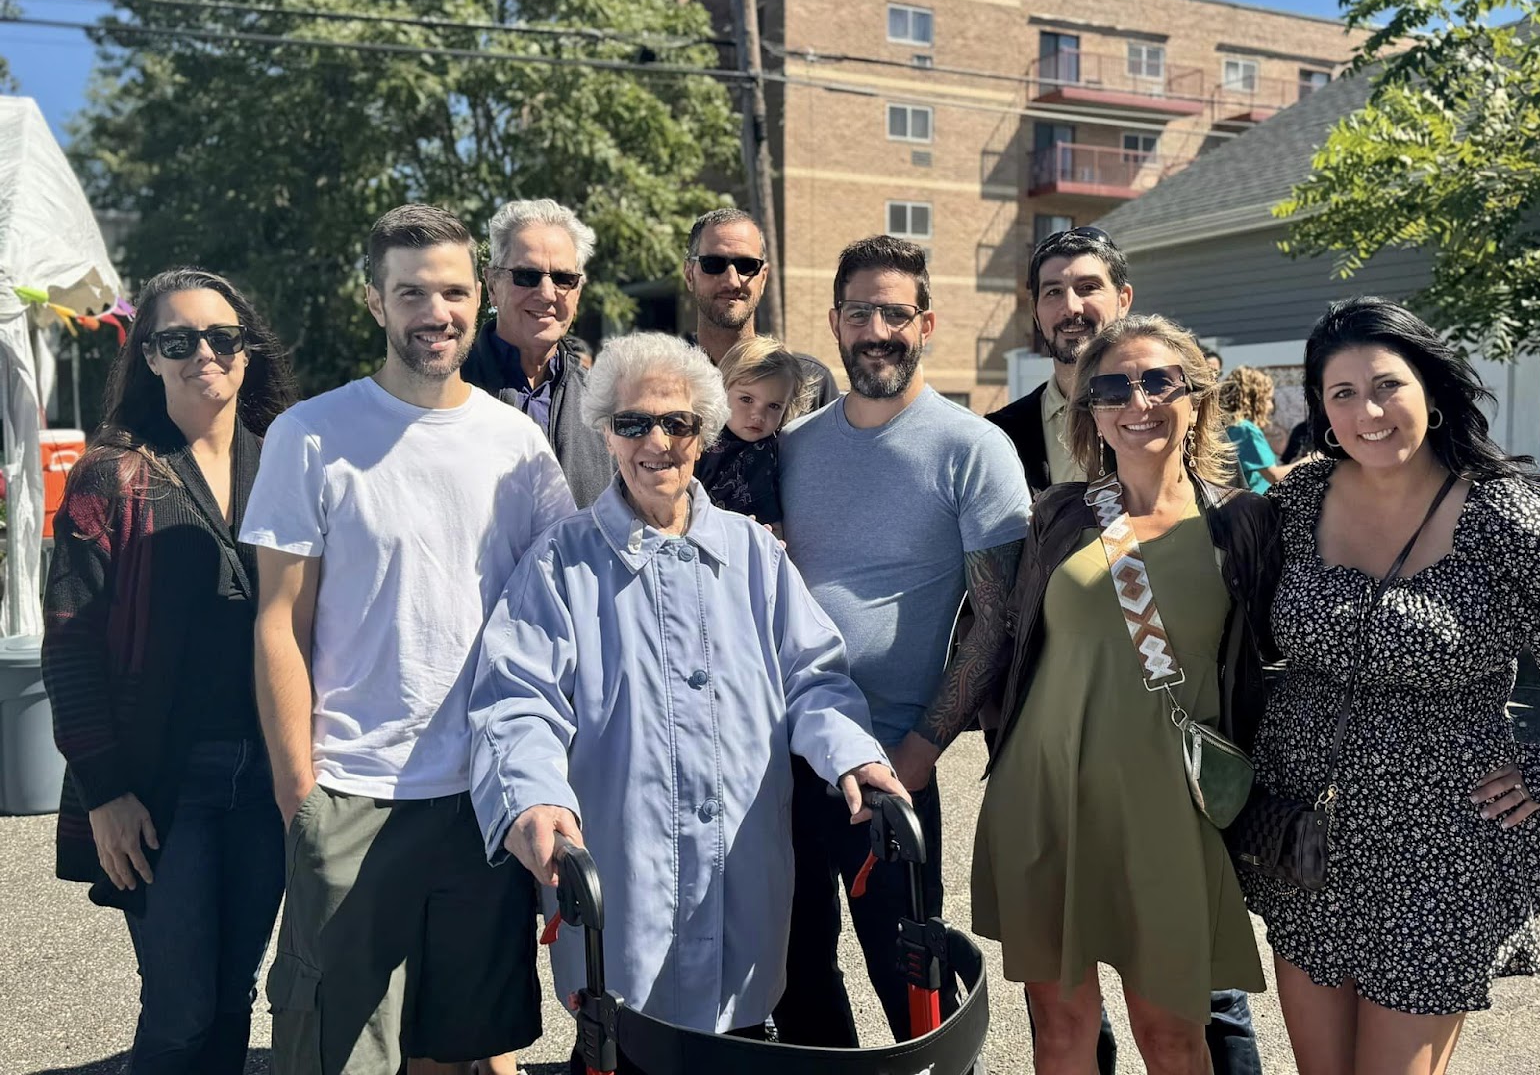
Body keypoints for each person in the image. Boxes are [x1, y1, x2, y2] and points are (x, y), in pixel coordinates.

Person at [468, 333, 906, 1074]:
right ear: (606, 431)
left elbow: (815, 678)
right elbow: (519, 699)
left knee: (741, 1041)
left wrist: (853, 753)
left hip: (742, 890)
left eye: (676, 423)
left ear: (703, 433)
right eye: (633, 423)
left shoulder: (753, 554)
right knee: (624, 1045)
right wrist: (532, 797)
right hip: (622, 896)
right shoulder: (561, 561)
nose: (656, 442)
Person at [246, 205, 576, 1075]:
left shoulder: (519, 447)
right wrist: (301, 801)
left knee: (462, 1048)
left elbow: (561, 616)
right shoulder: (311, 435)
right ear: (374, 302)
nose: (437, 311)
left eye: (455, 290)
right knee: (337, 1057)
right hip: (353, 791)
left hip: (482, 799)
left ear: (481, 296)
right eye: (412, 292)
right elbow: (279, 621)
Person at [1244, 296, 1540, 1075]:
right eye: (1342, 394)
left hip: (1439, 851)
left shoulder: (1506, 517)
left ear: (1430, 392)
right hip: (1308, 841)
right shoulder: (1297, 504)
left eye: (1386, 386)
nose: (1367, 412)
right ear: (1322, 411)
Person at [984, 230, 1262, 1074]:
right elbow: (996, 636)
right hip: (1047, 797)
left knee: (1174, 1036)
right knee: (1062, 1033)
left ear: (1196, 396)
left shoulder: (1246, 525)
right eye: (1112, 387)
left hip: (1167, 815)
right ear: (1091, 412)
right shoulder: (1059, 516)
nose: (1135, 400)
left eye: (1157, 381)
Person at [774, 235, 1032, 1045]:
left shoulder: (975, 448)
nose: (877, 329)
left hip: (891, 766)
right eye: (860, 312)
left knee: (912, 983)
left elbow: (996, 620)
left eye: (896, 312)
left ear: (928, 324)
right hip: (776, 762)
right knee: (796, 975)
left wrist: (921, 751)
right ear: (835, 321)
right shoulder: (793, 448)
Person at [42, 267, 296, 1075]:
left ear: (248, 351)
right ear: (149, 357)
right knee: (180, 1008)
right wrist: (105, 789)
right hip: (161, 783)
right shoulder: (112, 476)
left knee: (232, 997)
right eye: (178, 341)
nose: (203, 356)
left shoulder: (290, 465)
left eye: (222, 338)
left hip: (267, 776)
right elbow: (70, 645)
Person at [461, 198, 613, 507]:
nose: (546, 294)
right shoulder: (446, 390)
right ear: (492, 286)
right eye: (527, 276)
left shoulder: (605, 402)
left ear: (577, 293)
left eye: (563, 279)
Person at [987, 227, 1133, 497]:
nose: (1071, 307)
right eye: (1053, 292)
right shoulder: (999, 436)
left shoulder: (1170, 414)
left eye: (1088, 288)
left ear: (1123, 301)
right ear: (1035, 312)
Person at [683, 206, 838, 410]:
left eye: (747, 265)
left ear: (763, 278)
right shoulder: (659, 373)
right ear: (689, 274)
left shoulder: (810, 382)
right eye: (713, 263)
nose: (732, 282)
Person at [695, 335, 816, 531]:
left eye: (774, 406)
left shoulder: (784, 446)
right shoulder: (702, 444)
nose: (758, 415)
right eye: (746, 399)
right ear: (721, 390)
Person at [1220, 366, 1298, 493]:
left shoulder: (1228, 428)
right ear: (1254, 400)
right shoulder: (1245, 430)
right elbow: (1275, 477)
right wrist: (1310, 460)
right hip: (1255, 505)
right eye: (1267, 399)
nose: (1270, 406)